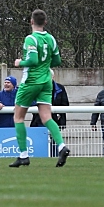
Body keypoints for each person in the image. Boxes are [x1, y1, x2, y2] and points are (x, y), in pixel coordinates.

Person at [9, 9, 71, 168]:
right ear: (45, 22)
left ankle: (23, 155)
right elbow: (57, 60)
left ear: (31, 21)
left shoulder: (31, 39)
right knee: (46, 117)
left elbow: (33, 59)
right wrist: (46, 65)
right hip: (46, 82)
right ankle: (61, 146)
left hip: (31, 81)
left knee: (18, 117)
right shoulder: (51, 38)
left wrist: (19, 63)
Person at [30, 72, 68, 156]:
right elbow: (31, 102)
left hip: (55, 121)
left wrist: (58, 114)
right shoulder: (36, 88)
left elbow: (65, 104)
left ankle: (55, 157)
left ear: (53, 76)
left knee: (54, 143)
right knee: (40, 143)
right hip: (39, 120)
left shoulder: (60, 88)